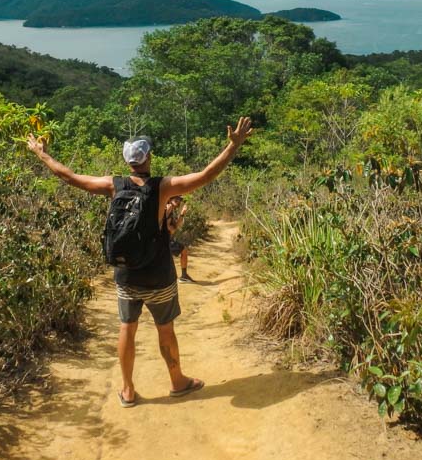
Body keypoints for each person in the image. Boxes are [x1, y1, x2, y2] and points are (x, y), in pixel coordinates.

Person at [25, 117, 254, 408]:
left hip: (126, 274)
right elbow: (207, 175)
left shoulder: (113, 185)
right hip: (158, 275)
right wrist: (232, 147)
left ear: (127, 161)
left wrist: (41, 152)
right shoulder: (163, 187)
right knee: (165, 329)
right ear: (149, 158)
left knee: (127, 328)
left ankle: (128, 390)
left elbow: (70, 176)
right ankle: (177, 382)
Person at [165, 196, 194, 283]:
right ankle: (183, 276)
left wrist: (182, 214)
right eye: (176, 199)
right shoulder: (167, 208)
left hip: (167, 239)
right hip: (163, 240)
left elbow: (176, 226)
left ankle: (184, 276)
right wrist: (171, 228)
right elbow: (168, 227)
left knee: (183, 250)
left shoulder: (171, 209)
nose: (178, 201)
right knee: (183, 250)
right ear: (170, 198)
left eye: (179, 200)